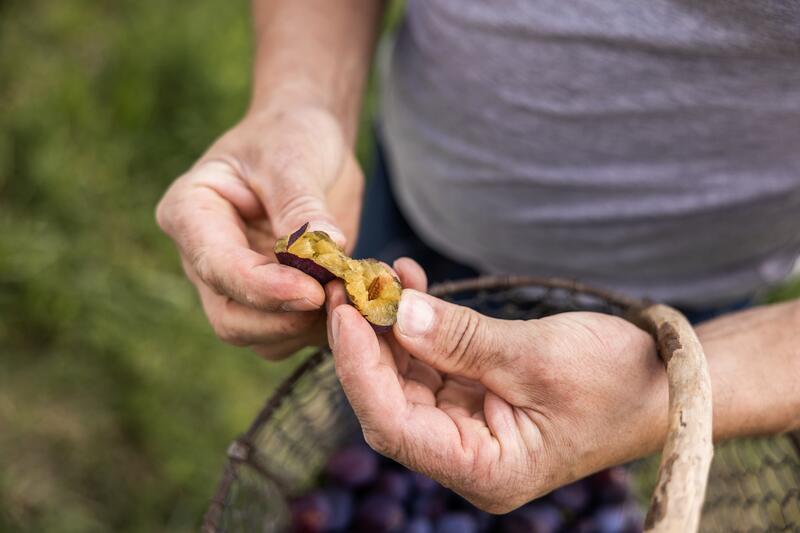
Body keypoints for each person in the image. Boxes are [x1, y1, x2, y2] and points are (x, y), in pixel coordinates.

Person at [156, 1, 800, 513]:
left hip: (686, 305)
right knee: (384, 427)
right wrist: (301, 100)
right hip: (416, 207)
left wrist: (663, 395)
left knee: (573, 472)